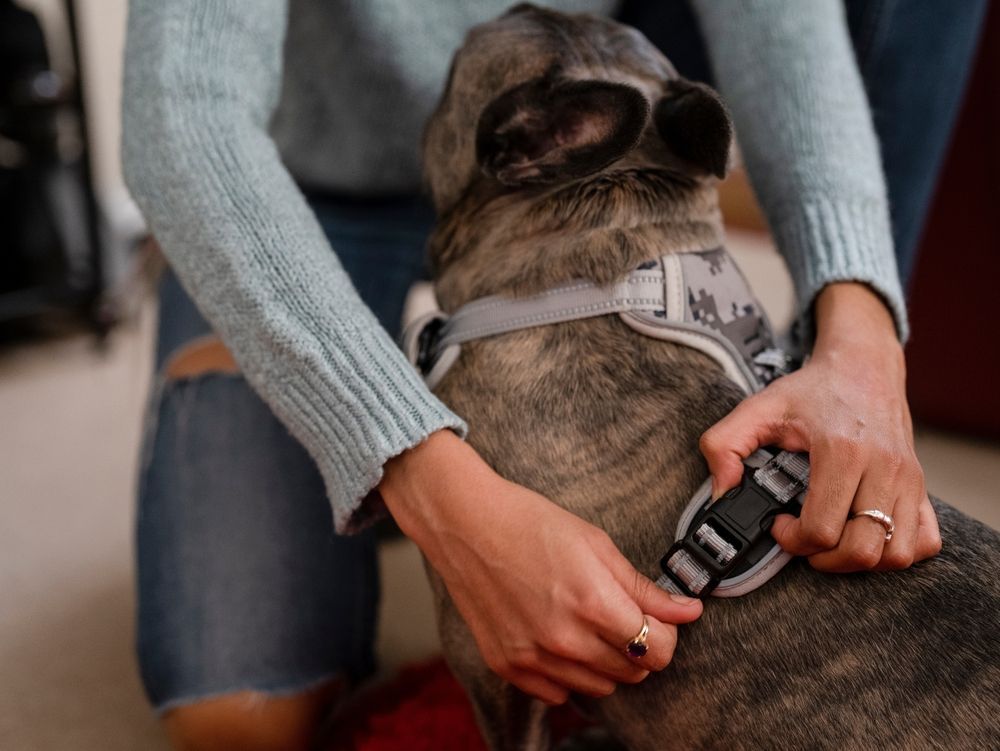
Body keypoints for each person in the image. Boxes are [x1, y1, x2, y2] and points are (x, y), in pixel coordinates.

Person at [121, 0, 986, 748]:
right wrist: (417, 470)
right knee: (239, 712)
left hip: (595, 135)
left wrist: (863, 333)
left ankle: (784, 416)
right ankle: (408, 473)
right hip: (309, 195)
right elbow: (183, 117)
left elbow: (780, 22)